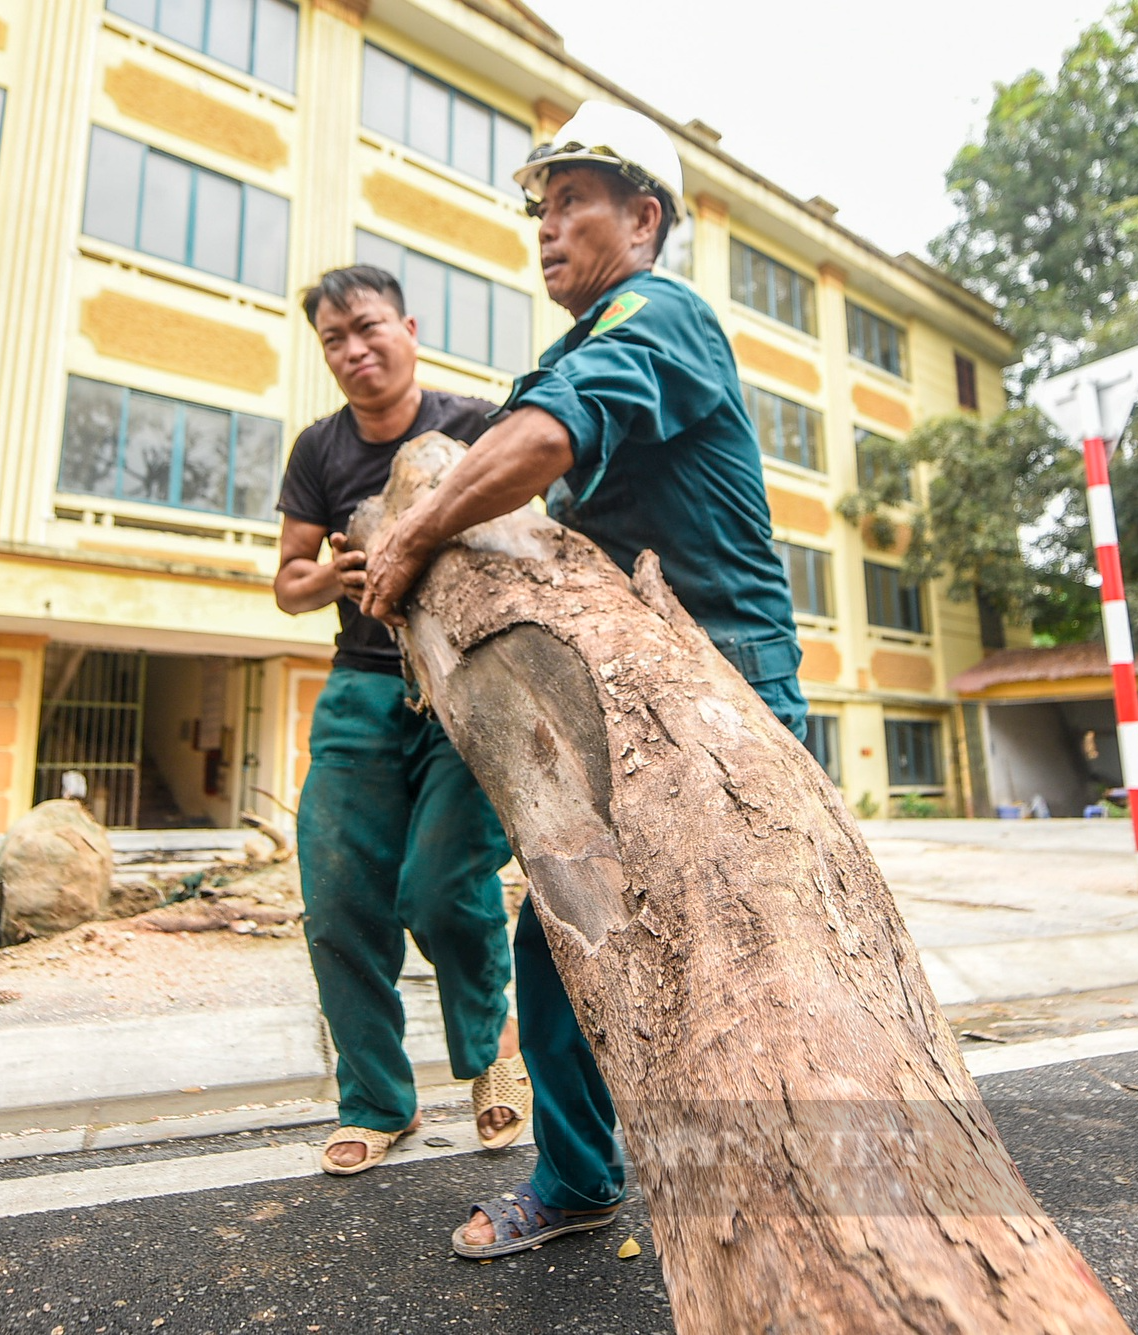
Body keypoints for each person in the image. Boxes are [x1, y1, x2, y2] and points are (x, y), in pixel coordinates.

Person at [359, 101, 809, 1257]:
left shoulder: (659, 315)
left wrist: (409, 540)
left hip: (724, 688)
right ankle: (576, 1179)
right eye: (538, 209)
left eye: (571, 204)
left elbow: (545, 441)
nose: (544, 229)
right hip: (632, 686)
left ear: (641, 218)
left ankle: (807, 1200)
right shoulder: (582, 338)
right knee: (563, 937)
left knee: (743, 951)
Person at [274, 266, 532, 1176]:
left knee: (440, 883)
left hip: (471, 691)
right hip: (364, 689)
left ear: (409, 327)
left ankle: (494, 1048)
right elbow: (286, 584)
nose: (354, 350)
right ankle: (377, 1097)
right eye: (334, 339)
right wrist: (329, 580)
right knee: (339, 896)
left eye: (368, 327)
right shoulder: (318, 450)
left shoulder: (477, 423)